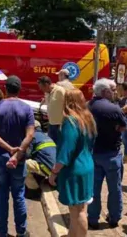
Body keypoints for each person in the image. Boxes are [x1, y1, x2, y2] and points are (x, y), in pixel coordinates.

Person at [0, 75, 35, 237]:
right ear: (19, 89)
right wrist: (17, 152)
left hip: (0, 156)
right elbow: (30, 135)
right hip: (19, 158)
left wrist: (8, 148)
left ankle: (2, 231)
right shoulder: (26, 108)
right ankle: (21, 232)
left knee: (2, 194)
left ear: (5, 89)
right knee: (19, 194)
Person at [49, 89, 97, 237]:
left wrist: (54, 172)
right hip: (87, 165)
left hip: (74, 170)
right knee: (79, 209)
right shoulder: (88, 118)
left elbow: (65, 152)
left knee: (78, 211)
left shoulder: (70, 121)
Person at [87, 78, 126, 229]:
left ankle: (93, 218)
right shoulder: (114, 109)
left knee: (94, 188)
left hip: (93, 153)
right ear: (104, 91)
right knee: (114, 188)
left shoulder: (87, 107)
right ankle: (114, 217)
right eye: (113, 90)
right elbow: (123, 127)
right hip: (111, 154)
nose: (115, 92)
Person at [24, 120, 56, 200]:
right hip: (56, 170)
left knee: (23, 164)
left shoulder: (33, 137)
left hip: (49, 170)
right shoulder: (46, 136)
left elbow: (27, 155)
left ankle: (34, 190)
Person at [37, 76, 66, 142]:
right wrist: (44, 101)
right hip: (51, 123)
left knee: (60, 145)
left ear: (47, 85)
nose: (40, 89)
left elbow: (68, 104)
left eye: (41, 87)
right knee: (51, 144)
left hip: (60, 125)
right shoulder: (47, 92)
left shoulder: (60, 91)